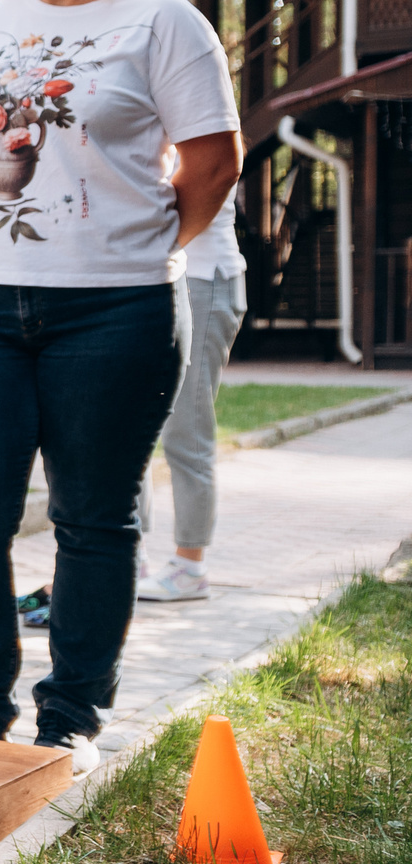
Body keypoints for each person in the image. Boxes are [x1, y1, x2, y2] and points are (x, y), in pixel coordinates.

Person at [0, 0, 239, 773]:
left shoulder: (164, 22)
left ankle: (72, 715)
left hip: (116, 311)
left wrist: (139, 245)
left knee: (93, 515)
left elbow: (215, 164)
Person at [136, 188, 244, 601]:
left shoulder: (202, 127)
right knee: (131, 429)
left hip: (202, 282)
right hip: (150, 284)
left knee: (186, 428)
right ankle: (130, 557)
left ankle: (190, 566)